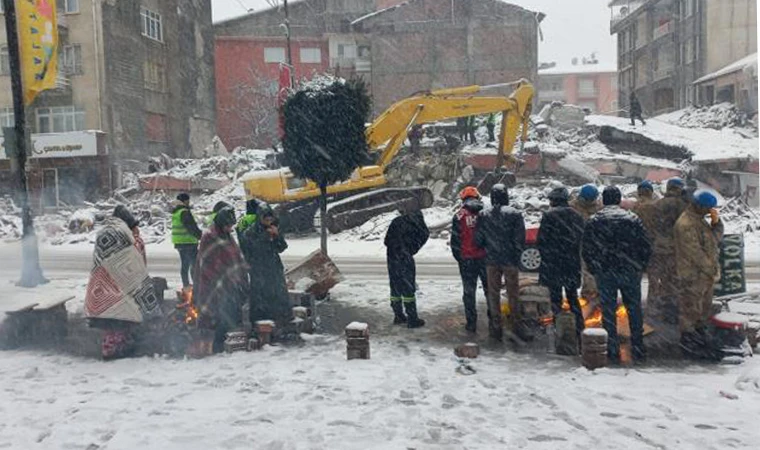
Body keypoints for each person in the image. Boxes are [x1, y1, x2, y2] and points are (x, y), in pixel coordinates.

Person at [582, 186, 651, 363]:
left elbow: (587, 248)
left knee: (608, 310)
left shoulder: (595, 220)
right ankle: (638, 346)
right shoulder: (633, 219)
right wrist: (640, 266)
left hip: (605, 272)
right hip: (630, 270)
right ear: (619, 200)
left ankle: (611, 347)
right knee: (634, 309)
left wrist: (593, 267)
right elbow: (645, 245)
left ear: (604, 200)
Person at [85, 206, 162, 359]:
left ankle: (111, 347)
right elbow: (135, 262)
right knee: (120, 319)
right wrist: (137, 240)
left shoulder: (104, 231)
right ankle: (113, 351)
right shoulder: (124, 235)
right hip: (119, 289)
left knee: (112, 322)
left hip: (100, 288)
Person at [674, 190, 724, 358]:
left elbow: (713, 241)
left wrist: (717, 224)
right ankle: (688, 343)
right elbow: (694, 253)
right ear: (700, 207)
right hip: (693, 275)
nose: (710, 211)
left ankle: (700, 337)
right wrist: (710, 267)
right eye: (709, 208)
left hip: (704, 275)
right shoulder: (686, 224)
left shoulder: (700, 221)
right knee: (690, 310)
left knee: (703, 309)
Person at [194, 206, 249, 353]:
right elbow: (206, 262)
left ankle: (227, 342)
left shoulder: (227, 236)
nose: (230, 228)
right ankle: (217, 346)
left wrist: (238, 275)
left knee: (229, 313)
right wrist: (220, 276)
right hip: (213, 283)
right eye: (228, 225)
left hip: (229, 284)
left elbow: (234, 257)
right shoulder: (209, 237)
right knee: (217, 314)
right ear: (220, 223)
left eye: (231, 226)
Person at [476, 184, 525, 340]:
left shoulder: (484, 215)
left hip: (491, 260)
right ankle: (516, 323)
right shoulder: (515, 214)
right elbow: (520, 239)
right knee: (513, 293)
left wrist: (488, 247)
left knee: (493, 293)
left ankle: (496, 325)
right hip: (510, 260)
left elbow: (478, 239)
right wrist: (515, 253)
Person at [537, 186, 585, 336]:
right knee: (573, 297)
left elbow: (541, 241)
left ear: (553, 201)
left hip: (553, 264)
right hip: (571, 263)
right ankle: (579, 327)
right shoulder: (576, 216)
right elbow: (581, 239)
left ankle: (559, 328)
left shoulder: (549, 216)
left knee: (555, 299)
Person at [242, 204, 291, 328]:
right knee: (261, 298)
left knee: (278, 295)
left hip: (274, 267)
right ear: (260, 218)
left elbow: (282, 247)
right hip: (259, 269)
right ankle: (260, 325)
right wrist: (267, 236)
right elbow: (253, 248)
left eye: (270, 219)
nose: (269, 222)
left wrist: (277, 235)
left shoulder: (273, 229)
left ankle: (280, 322)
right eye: (266, 219)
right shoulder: (251, 232)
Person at [649, 177, 688, 324]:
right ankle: (671, 313)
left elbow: (652, 226)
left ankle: (655, 311)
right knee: (673, 282)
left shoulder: (657, 204)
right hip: (675, 249)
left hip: (658, 248)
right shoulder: (682, 205)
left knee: (658, 280)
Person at [385, 202, 430, 328]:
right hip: (405, 257)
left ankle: (398, 316)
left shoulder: (396, 222)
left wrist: (396, 248)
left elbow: (386, 241)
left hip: (392, 257)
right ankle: (412, 319)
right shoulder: (417, 224)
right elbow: (425, 235)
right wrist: (411, 249)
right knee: (408, 288)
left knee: (395, 287)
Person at [451, 186, 488, 333]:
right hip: (484, 258)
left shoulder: (459, 216)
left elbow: (455, 241)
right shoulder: (485, 214)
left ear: (463, 199)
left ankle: (471, 323)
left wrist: (460, 258)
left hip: (466, 260)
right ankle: (494, 320)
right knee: (490, 290)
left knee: (469, 292)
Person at [571, 184, 602, 303]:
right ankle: (589, 293)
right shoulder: (574, 207)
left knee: (589, 269)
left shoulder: (597, 207)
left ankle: (590, 292)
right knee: (586, 269)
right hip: (583, 242)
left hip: (591, 242)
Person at [172, 193, 203, 288]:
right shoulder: (184, 212)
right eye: (188, 200)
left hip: (180, 243)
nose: (189, 202)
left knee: (185, 265)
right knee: (194, 265)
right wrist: (200, 235)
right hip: (188, 242)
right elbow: (191, 227)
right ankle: (197, 286)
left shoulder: (176, 211)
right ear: (184, 201)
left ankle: (186, 285)